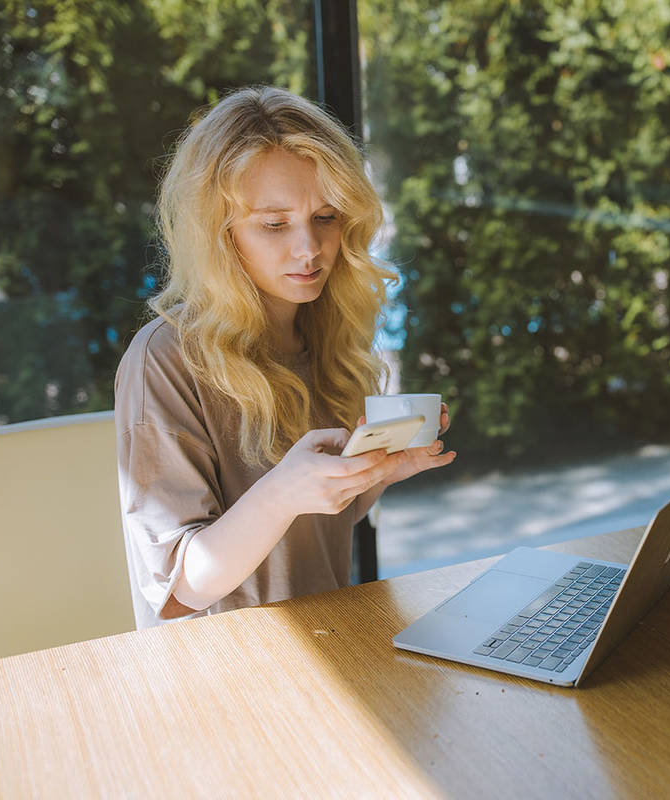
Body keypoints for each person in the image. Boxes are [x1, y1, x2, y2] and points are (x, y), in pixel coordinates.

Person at [114, 86, 455, 629]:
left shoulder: (328, 336)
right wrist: (280, 493)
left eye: (326, 216)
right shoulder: (167, 359)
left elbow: (318, 525)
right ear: (220, 235)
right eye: (274, 224)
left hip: (330, 643)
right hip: (226, 672)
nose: (310, 248)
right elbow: (178, 590)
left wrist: (378, 472)